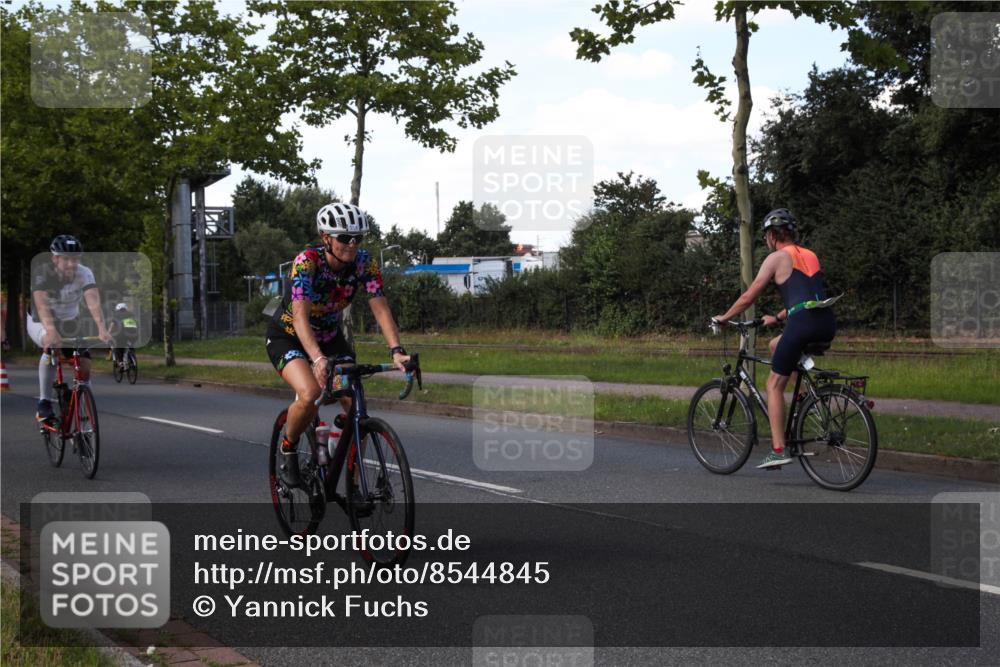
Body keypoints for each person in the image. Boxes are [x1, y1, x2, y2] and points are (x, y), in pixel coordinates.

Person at [265, 202, 410, 487]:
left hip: (330, 337)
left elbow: (380, 308)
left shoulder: (364, 263)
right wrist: (317, 359)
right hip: (289, 334)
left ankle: (354, 485)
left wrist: (396, 350)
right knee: (309, 393)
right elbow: (300, 317)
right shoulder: (307, 262)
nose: (352, 244)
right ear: (326, 238)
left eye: (358, 238)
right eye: (345, 238)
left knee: (356, 403)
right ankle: (289, 446)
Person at [713, 209, 837, 469]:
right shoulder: (810, 255)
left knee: (773, 385)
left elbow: (749, 296)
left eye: (767, 237)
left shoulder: (776, 258)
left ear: (771, 236)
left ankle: (779, 450)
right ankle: (807, 400)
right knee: (774, 345)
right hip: (826, 321)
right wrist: (778, 318)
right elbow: (807, 296)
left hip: (802, 324)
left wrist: (725, 317)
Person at [28, 235, 113, 425]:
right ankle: (44, 402)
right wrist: (51, 331)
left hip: (69, 321)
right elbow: (41, 306)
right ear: (55, 258)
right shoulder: (43, 273)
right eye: (65, 259)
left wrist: (102, 328)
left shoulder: (85, 273)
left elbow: (92, 301)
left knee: (84, 365)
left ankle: (78, 400)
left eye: (75, 259)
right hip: (40, 319)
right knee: (51, 346)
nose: (70, 263)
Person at [108, 302, 139, 366]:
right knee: (130, 345)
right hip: (135, 335)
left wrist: (108, 333)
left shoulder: (116, 315)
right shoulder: (132, 314)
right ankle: (131, 357)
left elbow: (112, 325)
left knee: (118, 346)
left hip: (123, 335)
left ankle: (120, 361)